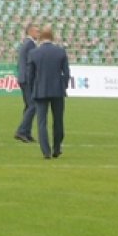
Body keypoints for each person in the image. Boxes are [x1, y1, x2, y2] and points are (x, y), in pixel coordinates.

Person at [27, 28, 70, 159]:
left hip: (40, 90)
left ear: (41, 39)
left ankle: (46, 151)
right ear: (53, 38)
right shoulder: (60, 52)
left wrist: (32, 88)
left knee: (41, 122)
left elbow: (30, 75)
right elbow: (67, 73)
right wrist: (63, 85)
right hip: (57, 90)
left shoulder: (34, 52)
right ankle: (57, 148)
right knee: (58, 121)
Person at [14, 23, 40, 143]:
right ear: (30, 32)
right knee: (32, 105)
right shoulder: (30, 44)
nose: (38, 33)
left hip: (24, 78)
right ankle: (21, 131)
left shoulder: (28, 44)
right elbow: (31, 63)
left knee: (29, 105)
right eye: (36, 31)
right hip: (27, 79)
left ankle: (27, 132)